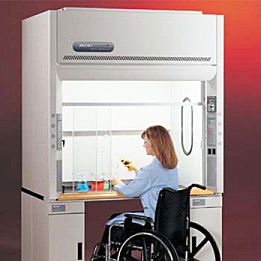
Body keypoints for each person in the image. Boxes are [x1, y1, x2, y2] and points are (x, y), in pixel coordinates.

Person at [94, 125, 179, 259]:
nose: (144, 146)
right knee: (117, 216)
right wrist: (136, 169)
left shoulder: (150, 170)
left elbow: (130, 192)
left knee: (113, 220)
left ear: (155, 144)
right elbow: (153, 180)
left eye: (146, 142)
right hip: (168, 224)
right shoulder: (172, 167)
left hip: (151, 223)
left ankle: (101, 257)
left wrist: (117, 183)